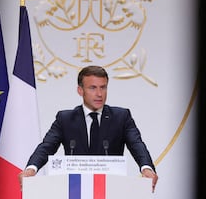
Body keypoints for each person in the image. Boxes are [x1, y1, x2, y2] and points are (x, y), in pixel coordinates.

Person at [18, 65, 158, 191]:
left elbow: (137, 144)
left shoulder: (121, 117)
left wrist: (146, 168)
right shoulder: (65, 119)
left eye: (103, 87)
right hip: (74, 190)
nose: (99, 94)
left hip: (111, 190)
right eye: (93, 88)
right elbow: (47, 146)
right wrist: (32, 168)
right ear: (80, 90)